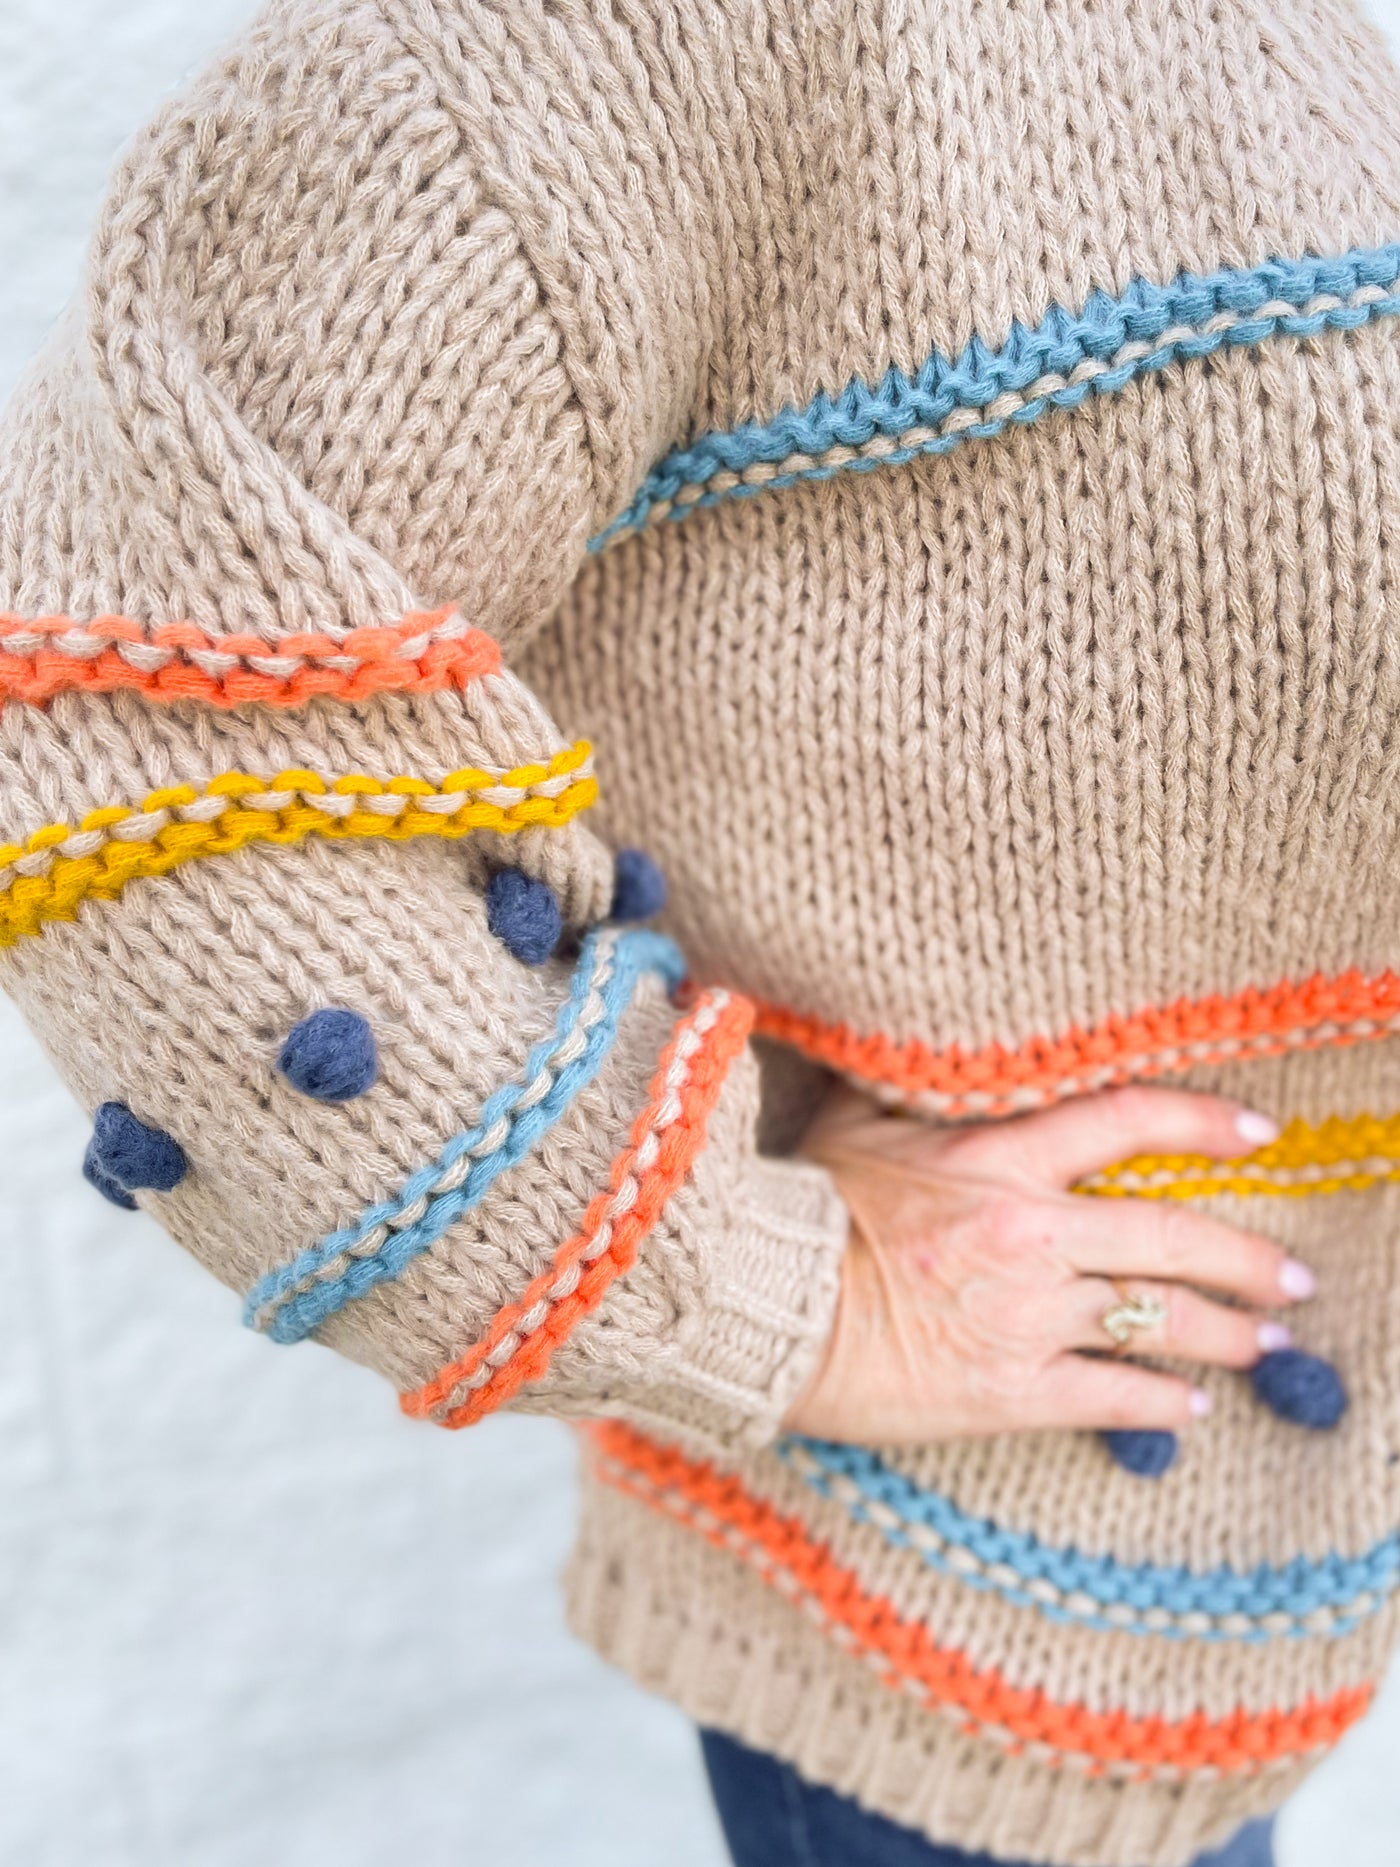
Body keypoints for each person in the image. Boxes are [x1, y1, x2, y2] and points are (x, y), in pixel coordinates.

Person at [2, 3, 1398, 1863]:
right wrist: (799, 1298)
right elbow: (126, 727)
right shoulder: (577, 60)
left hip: (1268, 1562)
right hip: (976, 1601)